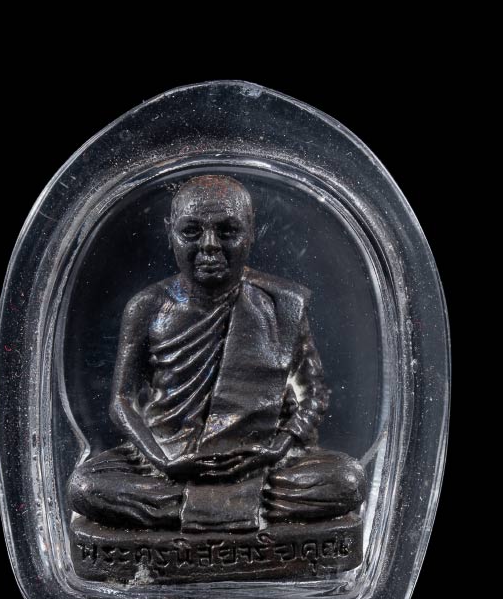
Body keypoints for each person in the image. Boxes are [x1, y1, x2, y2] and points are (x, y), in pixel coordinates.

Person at [69, 175, 364, 533]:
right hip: (170, 459)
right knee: (86, 487)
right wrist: (163, 461)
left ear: (251, 231)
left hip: (256, 462)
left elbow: (313, 392)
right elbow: (121, 401)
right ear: (170, 232)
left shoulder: (282, 303)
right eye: (191, 232)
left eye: (227, 231)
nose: (209, 246)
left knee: (347, 481)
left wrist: (278, 448)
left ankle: (196, 509)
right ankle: (223, 509)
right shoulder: (147, 306)